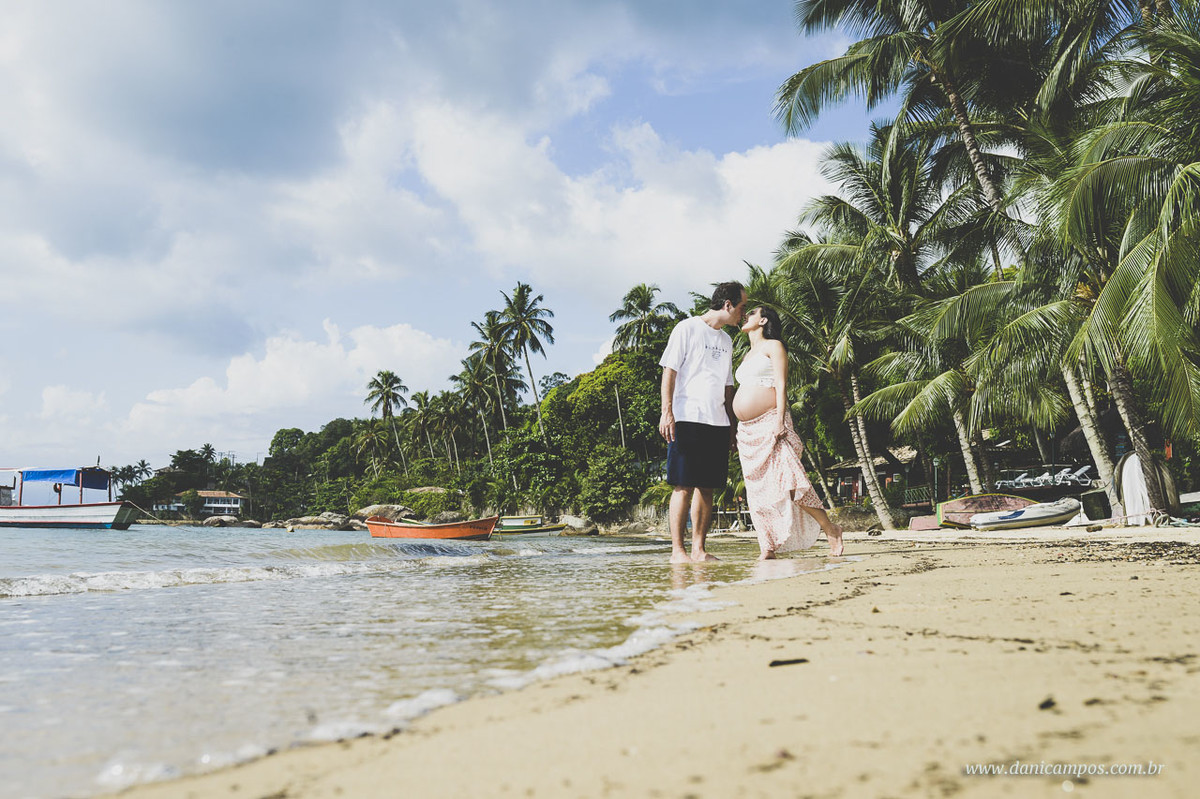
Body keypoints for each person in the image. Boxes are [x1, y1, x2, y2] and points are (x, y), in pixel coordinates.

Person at [733, 306, 843, 559]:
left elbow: (781, 386)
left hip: (771, 422)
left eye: (750, 313)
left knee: (791, 483)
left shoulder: (774, 346)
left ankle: (830, 530)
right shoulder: (746, 356)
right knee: (757, 491)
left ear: (762, 320)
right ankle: (767, 546)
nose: (745, 316)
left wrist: (780, 420)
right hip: (747, 432)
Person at [658, 281, 747, 563]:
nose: (743, 314)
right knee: (682, 485)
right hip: (686, 417)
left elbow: (728, 386)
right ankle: (678, 551)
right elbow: (669, 372)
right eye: (741, 307)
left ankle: (698, 549)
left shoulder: (728, 340)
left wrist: (732, 428)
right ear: (727, 305)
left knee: (707, 487)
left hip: (717, 422)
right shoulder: (686, 328)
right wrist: (666, 411)